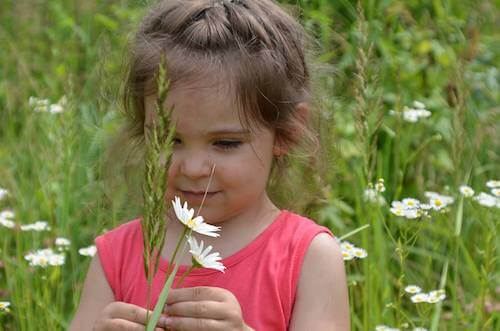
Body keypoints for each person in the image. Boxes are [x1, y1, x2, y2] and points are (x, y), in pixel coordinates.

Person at [70, 0, 349, 330]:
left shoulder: (308, 258)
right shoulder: (117, 255)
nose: (193, 167)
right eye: (170, 140)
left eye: (225, 143)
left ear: (287, 132)